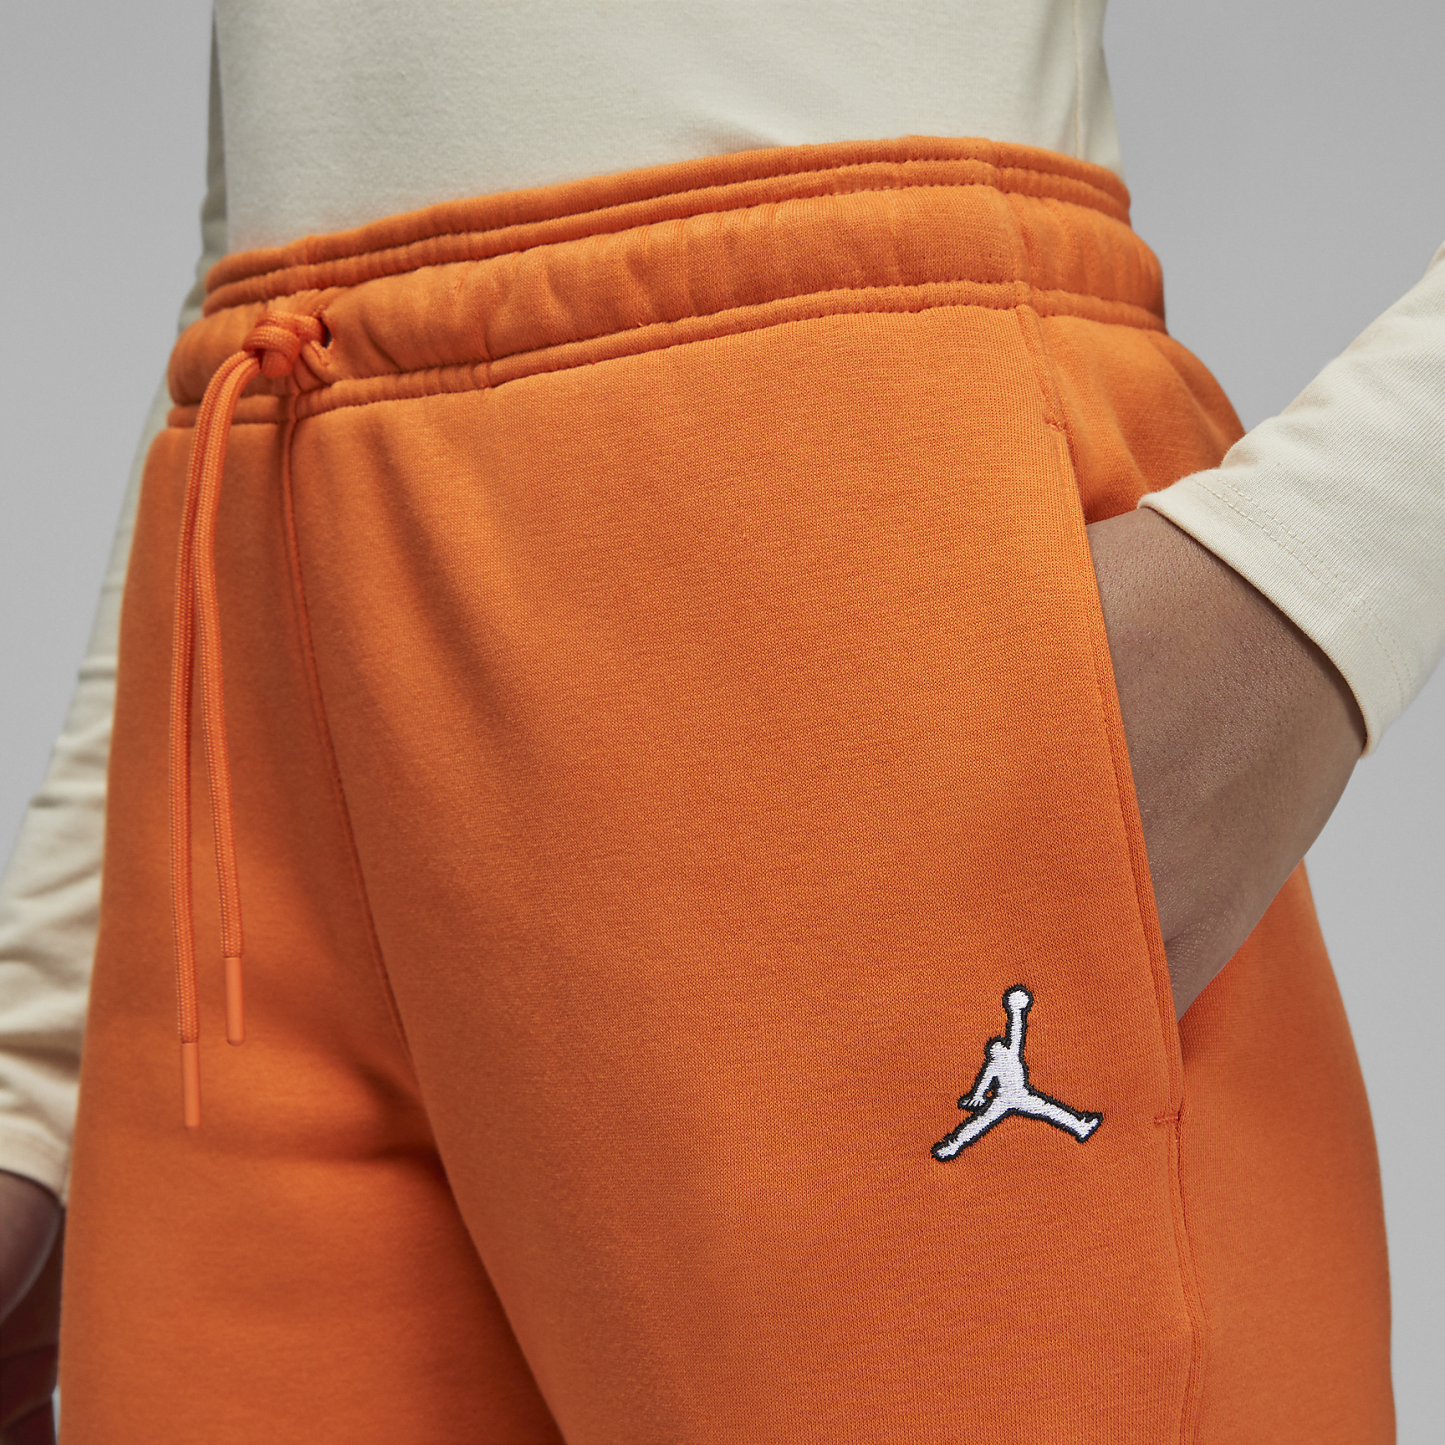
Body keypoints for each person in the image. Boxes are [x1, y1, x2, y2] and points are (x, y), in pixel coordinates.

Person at [1, 3, 1440, 1440]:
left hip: (815, 517)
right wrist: (44, 1055)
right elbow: (271, 183)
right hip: (259, 551)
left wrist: (1325, 569)